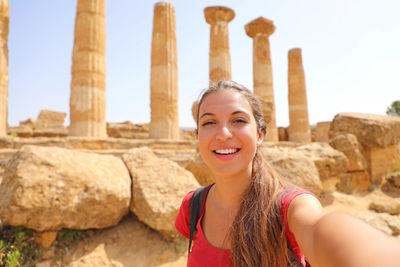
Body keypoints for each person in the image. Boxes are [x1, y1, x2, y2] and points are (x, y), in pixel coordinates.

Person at [175, 80, 400, 267]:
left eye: (239, 120)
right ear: (197, 135)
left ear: (260, 134)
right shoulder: (193, 207)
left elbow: (320, 231)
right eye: (209, 122)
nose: (223, 133)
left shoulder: (291, 208)